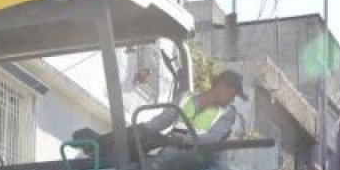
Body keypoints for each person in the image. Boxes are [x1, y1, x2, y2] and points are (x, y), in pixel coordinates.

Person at [74, 70, 246, 157]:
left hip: (195, 159)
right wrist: (140, 130)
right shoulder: (186, 97)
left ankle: (102, 147)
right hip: (170, 152)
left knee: (156, 145)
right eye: (233, 94)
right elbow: (161, 121)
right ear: (222, 86)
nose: (232, 100)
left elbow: (212, 138)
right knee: (143, 133)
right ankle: (100, 147)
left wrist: (183, 139)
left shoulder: (227, 115)